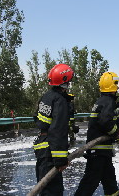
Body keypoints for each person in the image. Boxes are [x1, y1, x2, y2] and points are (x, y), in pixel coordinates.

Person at [75, 72, 119, 196]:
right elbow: (105, 122)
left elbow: (115, 120)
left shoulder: (103, 101)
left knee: (110, 183)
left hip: (103, 151)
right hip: (98, 151)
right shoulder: (108, 102)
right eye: (116, 84)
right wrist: (115, 132)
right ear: (114, 86)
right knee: (90, 183)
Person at [33, 63, 74, 196]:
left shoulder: (46, 97)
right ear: (65, 81)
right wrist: (60, 159)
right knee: (52, 191)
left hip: (41, 147)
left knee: (43, 188)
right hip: (50, 150)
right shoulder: (60, 100)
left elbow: (37, 118)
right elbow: (58, 131)